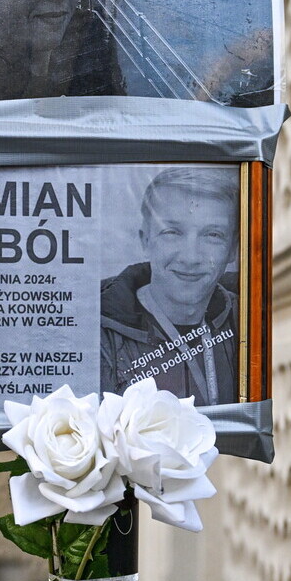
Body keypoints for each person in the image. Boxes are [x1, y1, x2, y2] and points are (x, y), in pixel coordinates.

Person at [100, 167, 239, 405]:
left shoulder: (249, 319)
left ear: (233, 249)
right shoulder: (98, 332)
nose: (191, 257)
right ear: (145, 240)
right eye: (172, 232)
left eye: (213, 235)